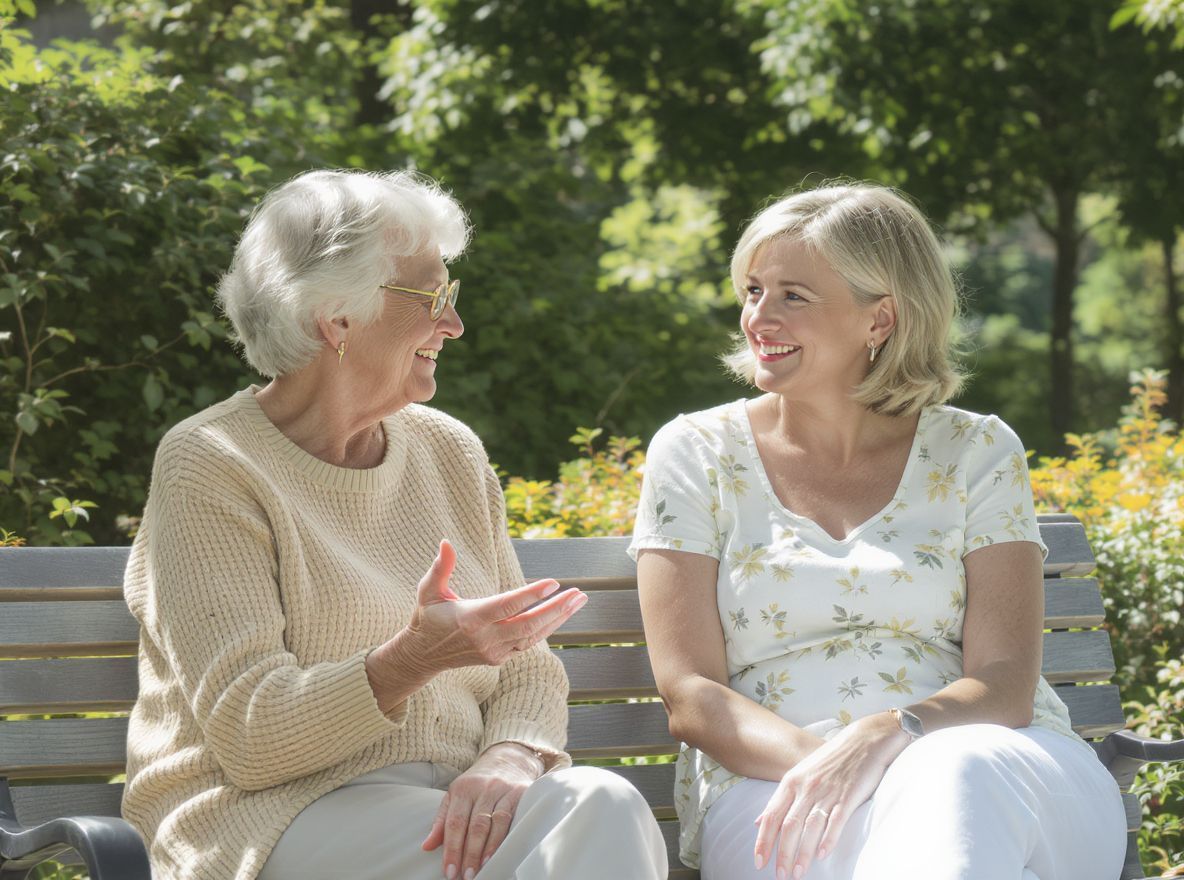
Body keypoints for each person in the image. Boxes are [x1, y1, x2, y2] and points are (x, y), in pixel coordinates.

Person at [121, 169, 668, 880]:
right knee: (573, 833)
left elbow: (527, 664)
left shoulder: (448, 450)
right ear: (336, 316)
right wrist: (411, 659)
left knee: (602, 799)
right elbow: (251, 737)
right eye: (433, 297)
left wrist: (510, 755)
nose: (455, 323)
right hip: (274, 816)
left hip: (454, 803)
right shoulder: (212, 463)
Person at [629, 183, 1126, 880]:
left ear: (881, 319)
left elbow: (1006, 681)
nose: (758, 318)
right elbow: (691, 695)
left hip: (1001, 764)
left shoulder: (976, 451)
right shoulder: (695, 454)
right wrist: (838, 767)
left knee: (955, 776)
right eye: (752, 291)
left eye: (793, 296)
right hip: (780, 785)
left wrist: (890, 736)